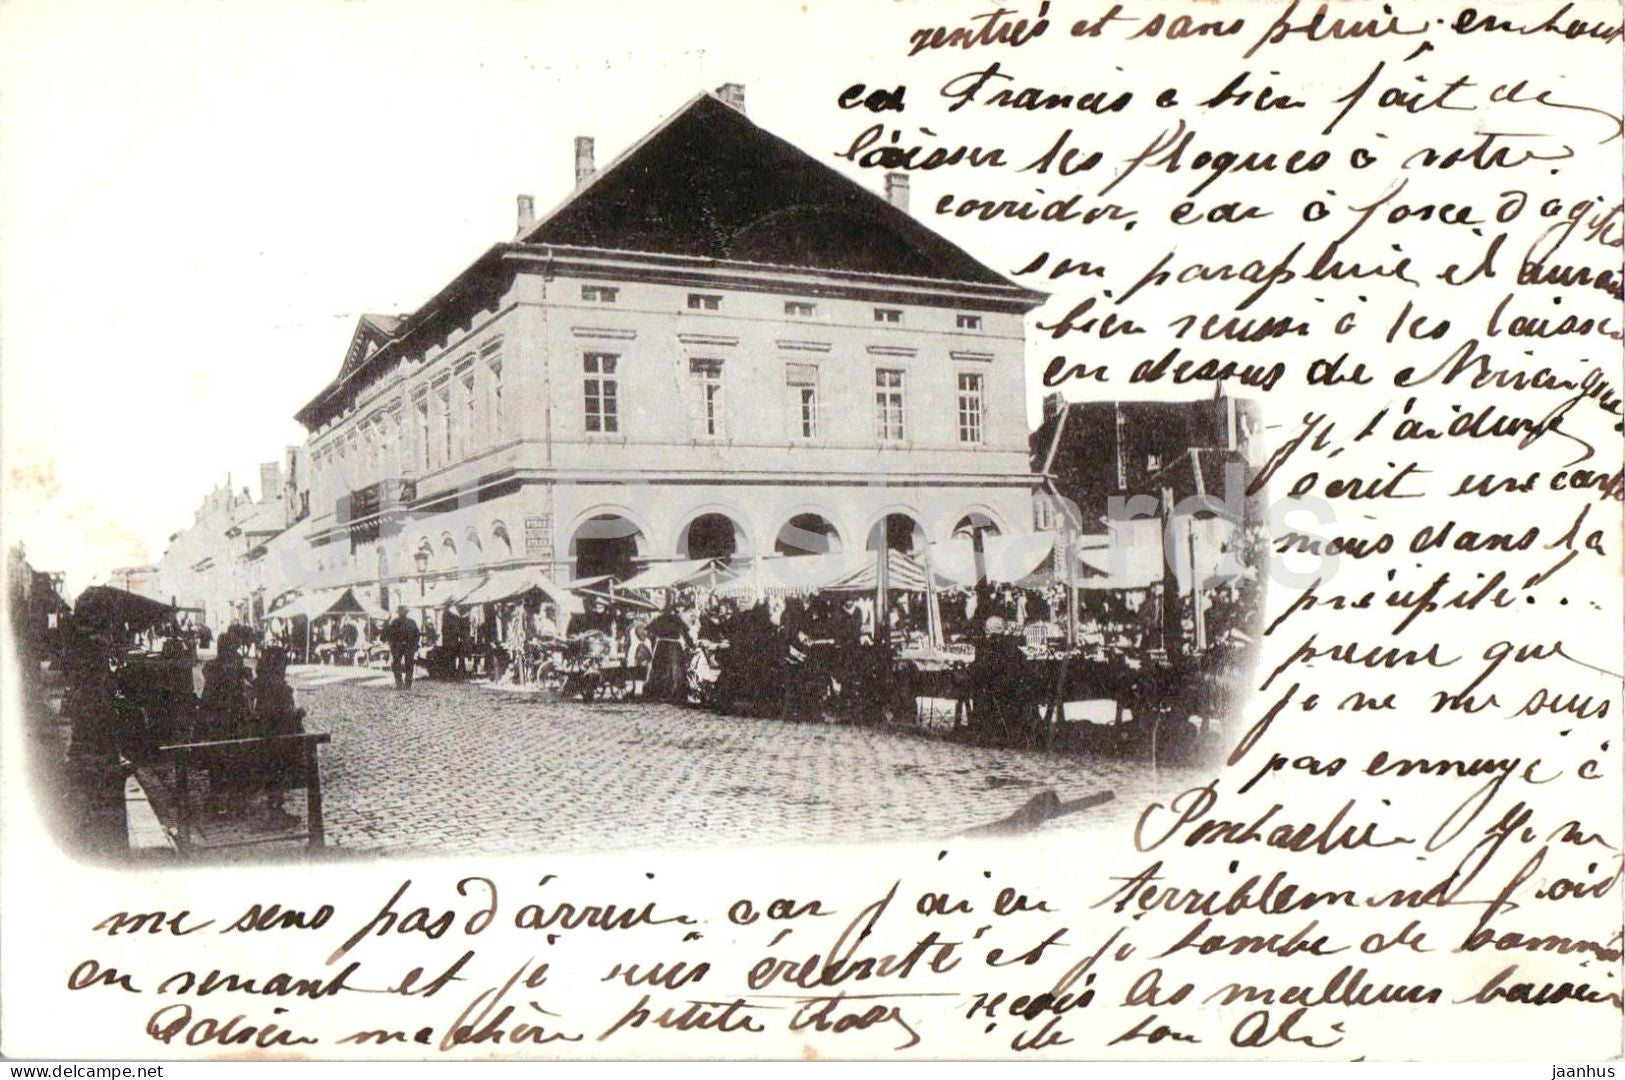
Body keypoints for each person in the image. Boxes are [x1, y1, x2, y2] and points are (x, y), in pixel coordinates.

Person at [250, 646, 306, 827]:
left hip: (262, 737)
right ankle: (275, 812)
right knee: (279, 771)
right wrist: (298, 713)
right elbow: (281, 716)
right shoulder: (280, 688)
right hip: (279, 742)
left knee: (273, 770)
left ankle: (273, 808)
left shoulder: (258, 683)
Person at [383, 606, 421, 688]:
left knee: (409, 664)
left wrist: (414, 645)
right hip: (398, 646)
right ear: (399, 613)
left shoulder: (411, 622)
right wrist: (392, 644)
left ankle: (407, 683)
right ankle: (399, 683)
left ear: (406, 613)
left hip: (408, 646)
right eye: (401, 612)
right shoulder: (394, 622)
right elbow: (389, 634)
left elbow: (417, 635)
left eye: (404, 612)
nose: (402, 614)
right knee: (397, 664)